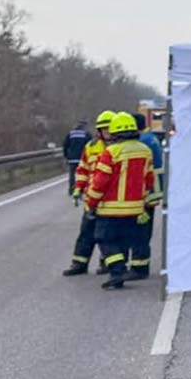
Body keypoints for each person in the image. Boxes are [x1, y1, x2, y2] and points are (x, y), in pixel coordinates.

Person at [84, 112, 158, 290]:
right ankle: (125, 270)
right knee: (127, 240)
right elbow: (149, 179)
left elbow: (100, 182)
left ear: (114, 132)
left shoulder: (112, 152)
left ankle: (117, 272)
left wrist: (90, 204)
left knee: (105, 239)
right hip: (136, 208)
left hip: (110, 208)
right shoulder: (144, 150)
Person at [62, 110, 114, 276]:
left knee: (107, 235)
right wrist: (78, 188)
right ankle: (79, 264)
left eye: (110, 129)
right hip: (92, 198)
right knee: (86, 233)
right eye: (105, 130)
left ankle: (106, 263)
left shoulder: (118, 148)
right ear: (99, 131)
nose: (108, 133)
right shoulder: (91, 147)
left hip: (110, 200)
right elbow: (83, 169)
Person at [126, 113, 164, 280]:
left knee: (139, 231)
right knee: (143, 229)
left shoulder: (143, 142)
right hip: (153, 191)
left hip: (146, 193)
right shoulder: (151, 138)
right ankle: (139, 265)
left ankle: (139, 267)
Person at [62, 121, 91, 196]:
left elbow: (65, 145)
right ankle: (81, 189)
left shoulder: (70, 134)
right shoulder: (86, 134)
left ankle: (71, 189)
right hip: (82, 158)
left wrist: (66, 156)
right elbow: (90, 145)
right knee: (83, 173)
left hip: (72, 158)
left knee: (72, 174)